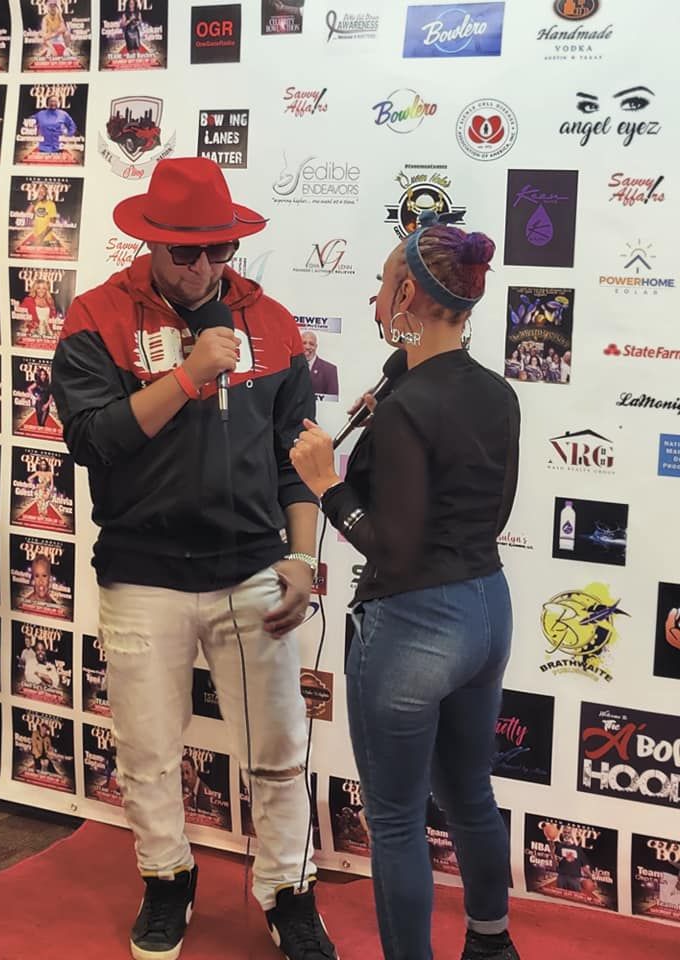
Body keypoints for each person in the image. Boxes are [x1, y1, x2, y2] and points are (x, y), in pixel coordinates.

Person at [51, 157, 338, 960]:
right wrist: (186, 375)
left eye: (220, 250)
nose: (205, 267)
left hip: (253, 570)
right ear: (150, 243)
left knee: (279, 751)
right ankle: (167, 880)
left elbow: (295, 460)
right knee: (148, 751)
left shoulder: (271, 322)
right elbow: (93, 441)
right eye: (187, 252)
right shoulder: (96, 317)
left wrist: (303, 558)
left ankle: (288, 892)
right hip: (143, 574)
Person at [290, 211, 521, 960]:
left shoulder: (408, 409)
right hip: (487, 608)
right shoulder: (498, 393)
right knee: (470, 792)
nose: (374, 297)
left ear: (409, 296)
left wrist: (326, 484)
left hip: (415, 621)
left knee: (394, 821)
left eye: (384, 281)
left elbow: (389, 545)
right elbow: (493, 513)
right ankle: (491, 944)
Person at [17, 183, 62, 252]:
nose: (41, 193)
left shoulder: (51, 204)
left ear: (46, 193)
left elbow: (52, 222)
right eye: (39, 192)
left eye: (43, 191)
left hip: (46, 238)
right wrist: (36, 200)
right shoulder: (36, 203)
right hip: (36, 237)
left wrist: (41, 236)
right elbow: (27, 214)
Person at [301, 331, 339, 398]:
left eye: (311, 344)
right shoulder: (290, 368)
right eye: (304, 343)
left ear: (316, 346)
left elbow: (332, 400)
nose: (307, 347)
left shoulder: (330, 370)